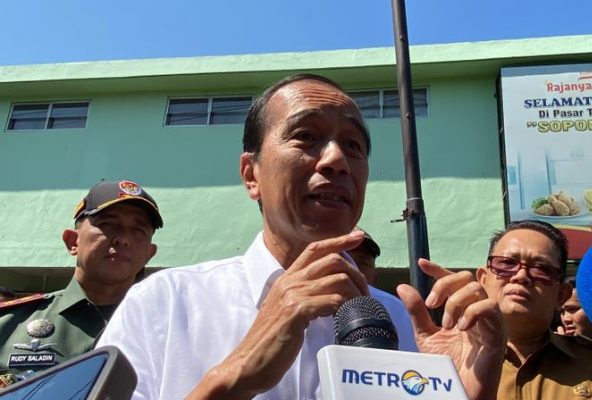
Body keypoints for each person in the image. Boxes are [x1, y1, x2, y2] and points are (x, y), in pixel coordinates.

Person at [97, 74, 505, 400]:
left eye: (353, 145)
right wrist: (233, 377)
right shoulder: (164, 304)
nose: (337, 159)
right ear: (251, 175)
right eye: (306, 136)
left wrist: (464, 394)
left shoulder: (401, 323)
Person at [422, 220, 592, 399]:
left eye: (541, 269)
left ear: (561, 295)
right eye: (506, 263)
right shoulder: (438, 363)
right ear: (483, 279)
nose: (521, 276)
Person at [0, 180, 161, 386]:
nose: (123, 239)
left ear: (149, 254)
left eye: (138, 230)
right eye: (108, 224)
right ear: (72, 241)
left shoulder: (166, 327)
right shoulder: (10, 323)